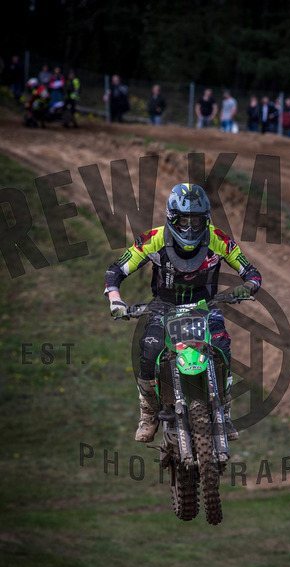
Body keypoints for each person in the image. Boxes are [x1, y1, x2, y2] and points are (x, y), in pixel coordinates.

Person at [104, 183, 262, 443]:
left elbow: (250, 271)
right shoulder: (154, 239)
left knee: (221, 345)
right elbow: (116, 270)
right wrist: (116, 300)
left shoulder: (218, 239)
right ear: (171, 218)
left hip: (205, 306)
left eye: (196, 221)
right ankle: (148, 414)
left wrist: (249, 286)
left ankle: (224, 411)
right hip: (164, 306)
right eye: (184, 221)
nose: (190, 228)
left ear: (206, 220)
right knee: (150, 350)